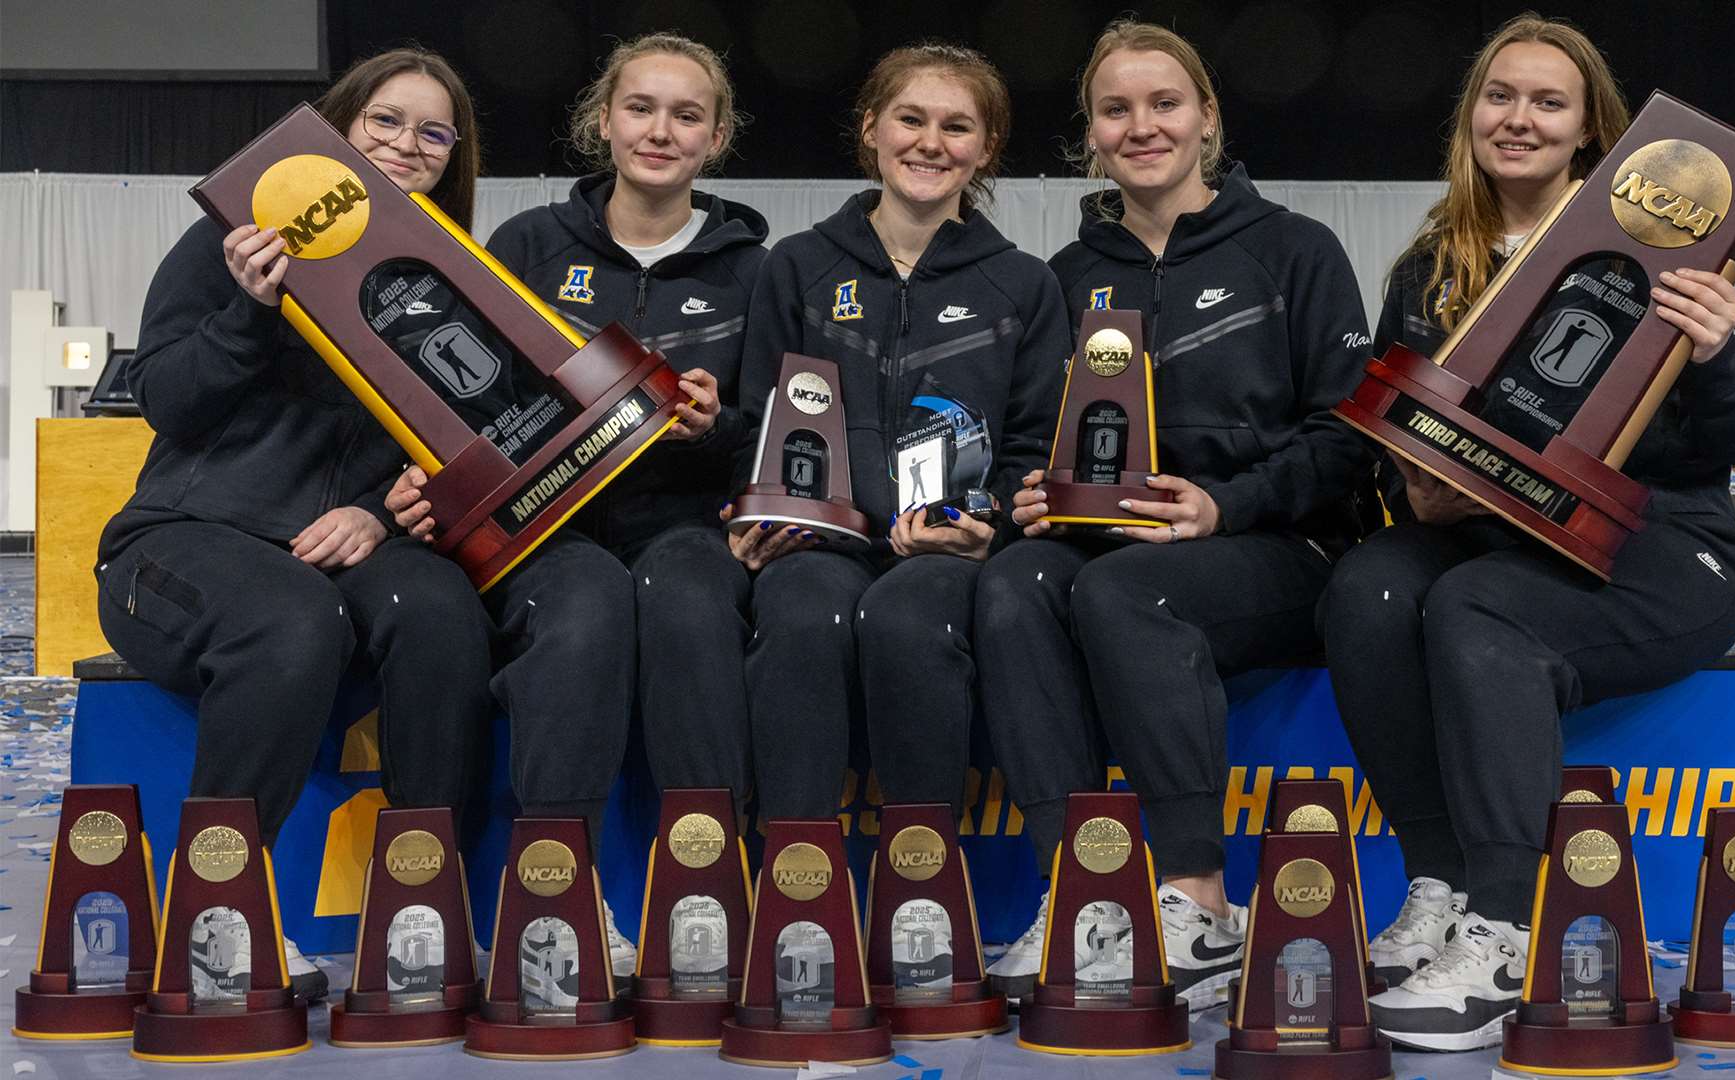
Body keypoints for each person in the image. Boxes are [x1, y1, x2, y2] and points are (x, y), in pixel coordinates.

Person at [1320, 13, 1735, 1052]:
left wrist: (1714, 354)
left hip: (1663, 549)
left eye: (1547, 102)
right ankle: (1437, 885)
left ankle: (1507, 927)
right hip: (1502, 540)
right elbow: (1399, 429)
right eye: (1499, 96)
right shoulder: (1434, 266)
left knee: (1476, 606)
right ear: (1471, 117)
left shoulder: (1672, 258)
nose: (1517, 119)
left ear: (1592, 134)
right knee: (1370, 586)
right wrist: (1414, 480)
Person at [974, 20, 1378, 1009]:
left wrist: (1224, 503)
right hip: (1119, 546)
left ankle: (1200, 901)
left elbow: (1347, 438)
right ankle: (1087, 895)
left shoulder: (1295, 251)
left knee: (1126, 590)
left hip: (1277, 545)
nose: (1142, 125)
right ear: (1092, 134)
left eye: (1165, 104)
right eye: (1117, 109)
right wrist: (1034, 491)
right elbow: (1038, 433)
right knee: (1011, 586)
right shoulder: (1067, 279)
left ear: (1207, 119)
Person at [95, 48, 496, 1003]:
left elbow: (450, 451)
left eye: (432, 133)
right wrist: (247, 311)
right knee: (292, 619)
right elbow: (166, 403)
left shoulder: (443, 285)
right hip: (177, 547)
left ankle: (423, 905)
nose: (406, 146)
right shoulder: (234, 242)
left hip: (336, 553)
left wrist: (376, 514)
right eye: (385, 122)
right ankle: (216, 915)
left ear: (454, 158)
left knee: (439, 609)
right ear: (341, 126)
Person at [385, 33, 759, 979]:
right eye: (641, 108)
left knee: (689, 601)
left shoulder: (758, 266)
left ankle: (705, 889)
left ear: (716, 137)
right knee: (585, 605)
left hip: (685, 524)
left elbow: (783, 422)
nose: (660, 131)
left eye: (687, 114)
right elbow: (460, 398)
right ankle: (557, 893)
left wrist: (716, 427)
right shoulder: (527, 246)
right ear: (604, 121)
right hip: (547, 528)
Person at [729, 42, 1068, 822]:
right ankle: (795, 874)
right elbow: (760, 424)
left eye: (957, 127)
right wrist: (754, 516)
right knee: (801, 616)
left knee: (908, 620)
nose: (930, 142)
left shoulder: (1023, 283)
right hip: (823, 544)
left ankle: (924, 884)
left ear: (985, 148)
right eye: (910, 119)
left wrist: (986, 534)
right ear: (871, 128)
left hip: (944, 549)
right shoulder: (799, 266)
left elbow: (1031, 446)